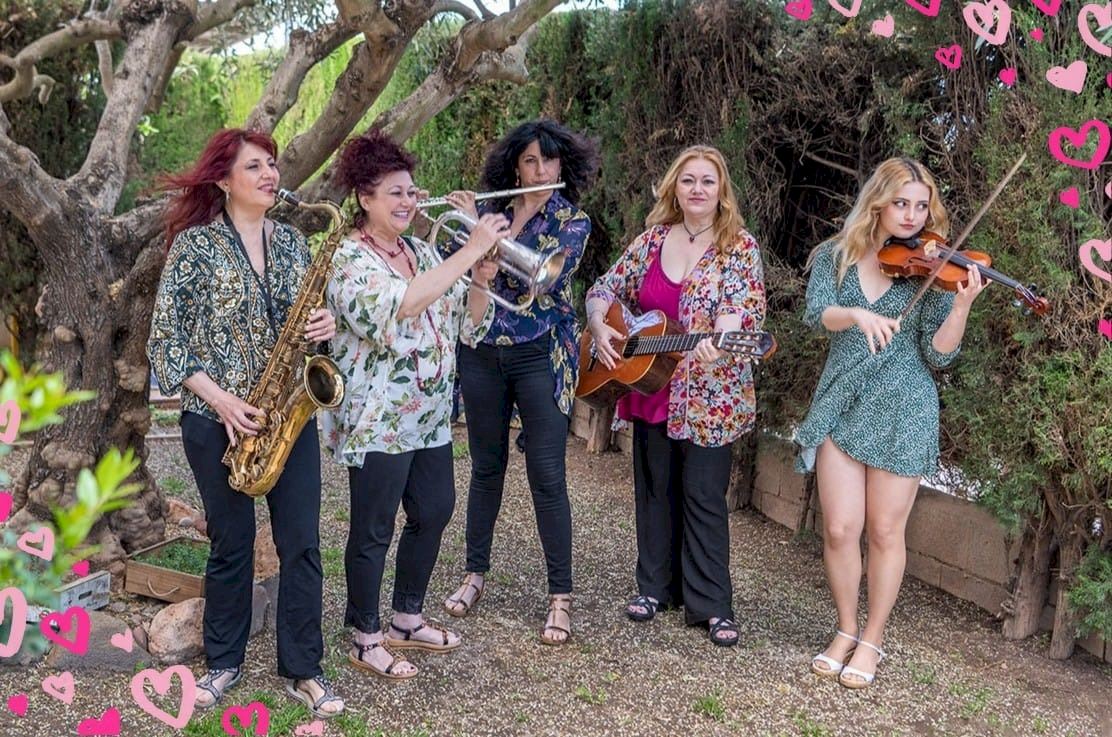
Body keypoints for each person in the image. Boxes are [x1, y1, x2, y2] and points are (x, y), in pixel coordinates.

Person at [147, 128, 344, 718]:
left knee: (302, 543)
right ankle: (224, 662)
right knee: (231, 544)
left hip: (286, 414)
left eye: (272, 164)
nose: (269, 174)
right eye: (254, 166)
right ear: (223, 179)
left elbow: (308, 333)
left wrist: (325, 328)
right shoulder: (194, 247)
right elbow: (165, 342)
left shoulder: (294, 244)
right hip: (216, 419)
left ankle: (305, 669)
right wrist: (225, 403)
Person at [795, 157, 986, 688]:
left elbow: (938, 354)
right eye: (901, 203)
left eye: (921, 206)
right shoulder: (836, 256)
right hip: (844, 400)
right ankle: (845, 628)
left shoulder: (932, 267)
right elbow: (817, 314)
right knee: (839, 528)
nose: (911, 215)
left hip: (904, 409)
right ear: (877, 202)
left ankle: (872, 640)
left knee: (884, 531)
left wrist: (961, 307)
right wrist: (857, 315)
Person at [322, 129, 503, 679]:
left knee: (434, 510)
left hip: (429, 415)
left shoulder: (421, 251)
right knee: (373, 527)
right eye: (395, 193)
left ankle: (405, 618)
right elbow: (399, 306)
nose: (408, 201)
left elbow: (467, 322)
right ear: (365, 198)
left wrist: (481, 276)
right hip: (378, 418)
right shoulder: (349, 259)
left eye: (411, 191)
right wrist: (469, 249)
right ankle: (365, 636)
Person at [584, 145, 766, 647]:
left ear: (721, 190)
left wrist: (719, 341)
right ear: (674, 188)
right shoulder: (651, 241)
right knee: (654, 488)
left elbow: (740, 313)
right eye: (688, 180)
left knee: (703, 495)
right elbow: (604, 287)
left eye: (708, 181)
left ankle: (712, 604)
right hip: (650, 383)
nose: (697, 189)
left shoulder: (739, 246)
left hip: (710, 394)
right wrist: (598, 323)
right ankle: (654, 588)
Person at [440, 119, 599, 645]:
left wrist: (478, 232)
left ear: (562, 165)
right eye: (531, 160)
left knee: (547, 476)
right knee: (485, 468)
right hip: (484, 352)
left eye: (549, 161)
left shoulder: (572, 221)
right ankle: (474, 574)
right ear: (515, 166)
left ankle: (560, 597)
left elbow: (543, 277)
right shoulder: (493, 213)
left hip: (540, 353)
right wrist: (471, 234)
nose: (541, 170)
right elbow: (453, 265)